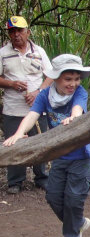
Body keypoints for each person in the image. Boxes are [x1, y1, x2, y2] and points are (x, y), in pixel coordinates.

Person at [3, 54, 90, 237]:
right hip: (59, 154)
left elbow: (78, 110)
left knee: (73, 198)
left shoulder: (80, 93)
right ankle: (78, 223)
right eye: (68, 79)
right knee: (53, 196)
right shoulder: (45, 95)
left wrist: (74, 117)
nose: (73, 84)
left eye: (76, 78)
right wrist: (18, 134)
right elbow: (32, 115)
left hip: (81, 155)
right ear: (55, 78)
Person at [0, 16, 53, 194]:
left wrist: (38, 92)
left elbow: (52, 75)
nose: (16, 35)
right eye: (12, 31)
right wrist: (11, 84)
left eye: (19, 30)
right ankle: (15, 181)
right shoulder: (2, 53)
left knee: (40, 141)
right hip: (12, 108)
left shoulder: (39, 51)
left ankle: (42, 178)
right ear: (9, 34)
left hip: (38, 108)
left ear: (27, 32)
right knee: (14, 144)